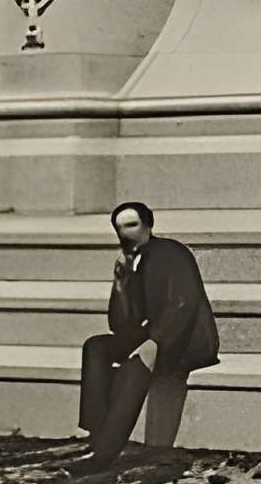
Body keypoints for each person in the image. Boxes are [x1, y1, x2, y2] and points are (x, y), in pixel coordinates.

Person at [77, 201, 221, 469]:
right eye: (120, 228)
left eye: (132, 225)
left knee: (137, 364)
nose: (126, 233)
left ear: (148, 225)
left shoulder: (171, 252)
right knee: (96, 347)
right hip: (153, 332)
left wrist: (155, 340)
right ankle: (97, 433)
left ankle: (106, 451)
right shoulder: (132, 262)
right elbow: (120, 325)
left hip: (186, 338)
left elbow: (183, 304)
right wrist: (122, 283)